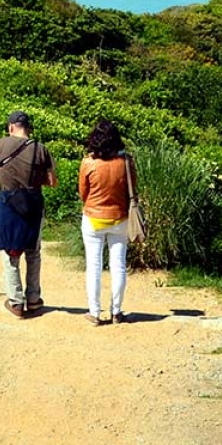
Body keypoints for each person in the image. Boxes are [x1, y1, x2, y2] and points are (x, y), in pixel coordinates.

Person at [0, 110, 57, 317]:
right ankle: (34, 299)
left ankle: (16, 302)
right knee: (33, 252)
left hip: (9, 204)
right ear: (28, 128)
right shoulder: (41, 149)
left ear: (10, 127)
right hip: (34, 204)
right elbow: (52, 182)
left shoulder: (0, 145)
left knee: (11, 253)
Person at [78, 118, 134, 325]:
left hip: (93, 218)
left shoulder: (88, 162)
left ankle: (94, 312)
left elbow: (83, 192)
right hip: (120, 218)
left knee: (94, 266)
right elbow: (132, 191)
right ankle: (116, 312)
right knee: (118, 265)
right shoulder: (126, 162)